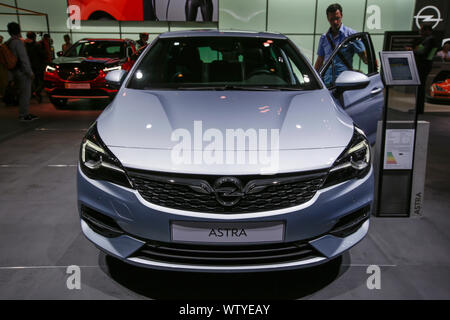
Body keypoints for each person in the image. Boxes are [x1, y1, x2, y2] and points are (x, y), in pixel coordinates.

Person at [314, 3, 367, 85]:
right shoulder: (324, 38)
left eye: (337, 18)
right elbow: (319, 61)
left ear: (341, 15)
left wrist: (372, 67)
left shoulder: (351, 35)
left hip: (344, 83)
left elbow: (365, 58)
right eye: (332, 19)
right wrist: (313, 80)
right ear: (328, 19)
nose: (335, 22)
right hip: (327, 82)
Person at [6, 22, 37, 121]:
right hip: (22, 72)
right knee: (25, 93)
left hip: (13, 70)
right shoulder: (18, 42)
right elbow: (24, 59)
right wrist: (30, 72)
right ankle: (24, 114)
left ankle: (23, 113)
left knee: (21, 93)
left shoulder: (8, 42)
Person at [406, 24, 439, 114]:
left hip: (423, 66)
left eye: (422, 30)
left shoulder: (430, 40)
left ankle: (419, 109)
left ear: (427, 31)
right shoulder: (429, 40)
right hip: (424, 66)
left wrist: (412, 51)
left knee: (420, 88)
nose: (420, 32)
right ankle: (418, 108)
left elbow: (423, 52)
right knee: (419, 88)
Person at [25, 31, 45, 103]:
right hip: (38, 66)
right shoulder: (37, 45)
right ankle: (37, 92)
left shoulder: (25, 45)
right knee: (43, 81)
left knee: (35, 81)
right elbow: (43, 55)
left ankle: (36, 95)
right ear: (34, 37)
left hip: (29, 66)